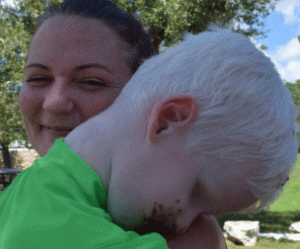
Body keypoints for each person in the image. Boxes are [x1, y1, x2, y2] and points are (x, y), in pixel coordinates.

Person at [0, 27, 298, 248]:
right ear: (167, 120)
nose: (185, 225)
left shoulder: (37, 192)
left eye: (204, 214)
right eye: (196, 192)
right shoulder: (55, 225)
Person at [14, 0, 226, 248]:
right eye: (38, 78)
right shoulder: (15, 203)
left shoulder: (186, 237)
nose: (54, 102)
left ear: (149, 102)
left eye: (92, 82)